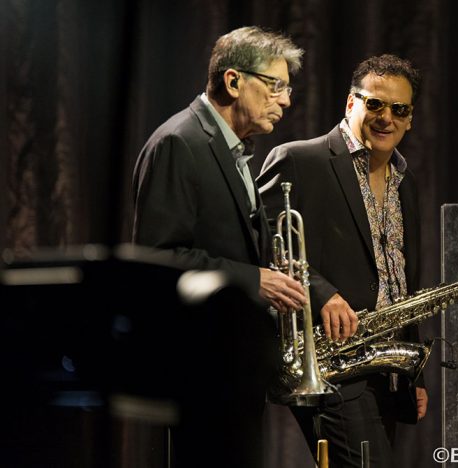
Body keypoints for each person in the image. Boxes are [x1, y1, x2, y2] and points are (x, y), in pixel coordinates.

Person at [131, 26, 305, 466]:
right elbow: (157, 259)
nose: (286, 100)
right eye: (276, 86)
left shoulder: (235, 150)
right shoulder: (178, 142)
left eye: (287, 88)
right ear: (233, 81)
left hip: (235, 365)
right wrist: (253, 279)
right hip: (200, 368)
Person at [258, 54, 428, 467]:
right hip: (332, 364)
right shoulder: (298, 159)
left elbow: (401, 280)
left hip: (387, 373)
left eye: (399, 110)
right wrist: (322, 294)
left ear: (409, 120)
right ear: (351, 103)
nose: (386, 118)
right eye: (375, 104)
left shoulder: (406, 182)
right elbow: (262, 246)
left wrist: (414, 373)